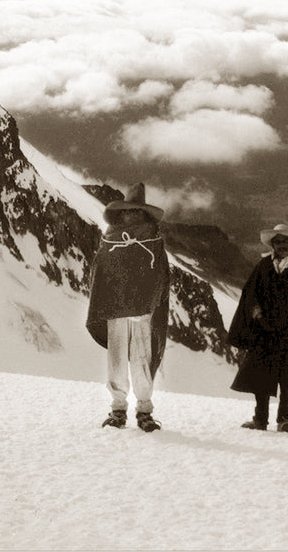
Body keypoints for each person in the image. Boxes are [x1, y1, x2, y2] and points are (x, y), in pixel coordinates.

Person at [85, 183, 170, 432]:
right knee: (117, 360)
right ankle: (118, 408)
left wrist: (152, 300)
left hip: (142, 312)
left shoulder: (152, 242)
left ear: (143, 213)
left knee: (141, 361)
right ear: (121, 213)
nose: (131, 215)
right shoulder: (111, 240)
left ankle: (144, 410)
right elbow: (100, 273)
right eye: (128, 211)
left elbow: (160, 277)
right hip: (117, 311)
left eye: (136, 211)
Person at [228, 223, 288, 432]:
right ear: (273, 245)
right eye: (278, 241)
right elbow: (250, 298)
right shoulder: (262, 267)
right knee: (262, 376)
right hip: (265, 334)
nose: (282, 245)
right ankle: (260, 419)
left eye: (285, 241)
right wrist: (260, 318)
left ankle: (284, 419)